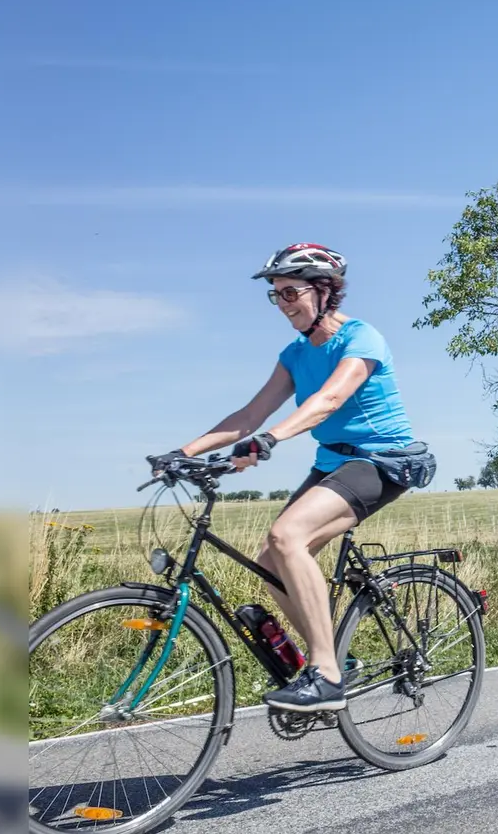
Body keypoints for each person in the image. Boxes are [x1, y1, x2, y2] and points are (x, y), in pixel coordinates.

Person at [148, 243, 428, 713]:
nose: (282, 304)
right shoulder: (295, 354)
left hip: (383, 461)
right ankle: (336, 658)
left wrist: (271, 439)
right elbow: (249, 414)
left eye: (290, 292)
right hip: (333, 463)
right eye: (276, 294)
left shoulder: (361, 338)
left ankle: (326, 676)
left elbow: (329, 400)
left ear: (324, 291)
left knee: (287, 535)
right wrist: (184, 452)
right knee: (270, 561)